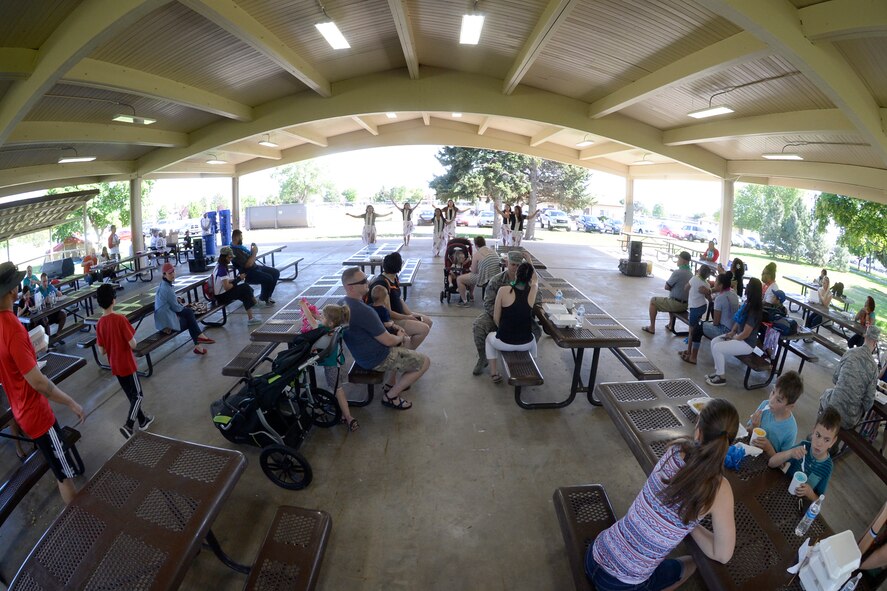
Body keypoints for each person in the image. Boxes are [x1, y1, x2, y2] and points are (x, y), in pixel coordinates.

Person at [587, 398, 738, 590]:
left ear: (698, 430)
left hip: (595, 553)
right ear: (729, 443)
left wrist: (687, 522)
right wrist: (689, 523)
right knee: (692, 562)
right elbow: (723, 555)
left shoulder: (676, 450)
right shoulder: (720, 489)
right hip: (620, 585)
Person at [0, 261, 85, 503]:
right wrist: (70, 402)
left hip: (20, 411)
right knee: (64, 473)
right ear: (12, 291)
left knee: (60, 468)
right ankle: (81, 522)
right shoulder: (13, 329)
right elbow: (38, 382)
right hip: (37, 415)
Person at [341, 267, 430, 410]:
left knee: (403, 344)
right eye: (363, 281)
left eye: (367, 279)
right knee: (425, 362)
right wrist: (399, 337)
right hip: (377, 358)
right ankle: (391, 396)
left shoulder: (342, 304)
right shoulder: (365, 311)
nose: (368, 283)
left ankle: (391, 382)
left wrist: (392, 328)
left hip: (361, 354)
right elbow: (388, 341)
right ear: (350, 287)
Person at [95, 283, 154, 439]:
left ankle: (143, 420)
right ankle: (129, 425)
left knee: (131, 395)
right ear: (114, 300)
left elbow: (101, 351)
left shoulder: (99, 324)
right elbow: (133, 344)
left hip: (114, 364)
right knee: (138, 395)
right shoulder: (120, 319)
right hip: (127, 364)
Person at [472, 250, 542, 375]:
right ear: (507, 263)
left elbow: (537, 301)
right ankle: (483, 358)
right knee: (479, 325)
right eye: (512, 264)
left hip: (518, 316)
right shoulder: (496, 280)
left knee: (536, 330)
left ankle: (524, 358)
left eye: (518, 265)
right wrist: (504, 321)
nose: (515, 267)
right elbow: (488, 303)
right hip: (496, 315)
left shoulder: (528, 283)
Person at [299, 299, 359, 432]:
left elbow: (314, 324)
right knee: (338, 389)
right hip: (340, 362)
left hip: (332, 366)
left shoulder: (323, 330)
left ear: (330, 322)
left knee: (338, 391)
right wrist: (317, 315)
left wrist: (304, 307)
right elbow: (319, 321)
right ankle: (344, 412)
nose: (321, 316)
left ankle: (347, 416)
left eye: (323, 315)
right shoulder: (338, 328)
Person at [768, 406, 841, 501]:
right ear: (813, 431)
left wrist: (809, 493)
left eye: (826, 440)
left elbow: (818, 500)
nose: (819, 443)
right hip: (782, 492)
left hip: (800, 504)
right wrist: (790, 453)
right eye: (818, 435)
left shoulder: (827, 467)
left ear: (832, 442)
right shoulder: (803, 447)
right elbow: (771, 462)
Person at [819, 324, 880, 430]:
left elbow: (835, 379)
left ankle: (818, 430)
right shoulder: (874, 368)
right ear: (875, 343)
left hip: (833, 406)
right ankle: (835, 444)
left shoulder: (850, 352)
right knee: (856, 416)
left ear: (865, 337)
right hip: (850, 418)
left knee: (826, 394)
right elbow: (867, 404)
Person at [486, 262, 538, 383]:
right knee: (533, 338)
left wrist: (503, 329)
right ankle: (532, 368)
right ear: (530, 278)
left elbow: (496, 317)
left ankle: (494, 373)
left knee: (488, 339)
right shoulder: (533, 291)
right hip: (526, 343)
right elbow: (535, 280)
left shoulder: (503, 290)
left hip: (504, 342)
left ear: (516, 275)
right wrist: (529, 261)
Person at [706, 277, 764, 387]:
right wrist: (732, 333)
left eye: (748, 287)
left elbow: (746, 334)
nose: (746, 289)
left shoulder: (754, 310)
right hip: (739, 337)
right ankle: (718, 372)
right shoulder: (748, 303)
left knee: (718, 348)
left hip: (746, 344)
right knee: (714, 341)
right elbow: (738, 320)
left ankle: (721, 378)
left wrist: (733, 338)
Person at [368, 253, 432, 349]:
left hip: (399, 314)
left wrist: (410, 314)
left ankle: (406, 347)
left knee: (428, 321)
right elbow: (388, 312)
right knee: (424, 329)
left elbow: (399, 299)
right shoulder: (382, 284)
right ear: (398, 266)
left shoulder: (394, 277)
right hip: (388, 320)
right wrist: (407, 317)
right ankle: (407, 352)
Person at [154, 262, 214, 355]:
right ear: (164, 275)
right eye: (169, 273)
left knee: (189, 317)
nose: (173, 274)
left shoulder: (164, 285)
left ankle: (199, 345)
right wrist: (185, 307)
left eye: (173, 271)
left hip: (164, 322)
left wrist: (177, 299)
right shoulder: (167, 289)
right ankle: (200, 337)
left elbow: (171, 301)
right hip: (167, 326)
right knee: (190, 315)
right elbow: (177, 309)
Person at [684, 272, 738, 365]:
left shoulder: (720, 298)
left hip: (723, 331)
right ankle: (691, 353)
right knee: (703, 324)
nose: (714, 283)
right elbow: (713, 291)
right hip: (733, 330)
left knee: (698, 327)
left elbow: (716, 323)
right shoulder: (733, 294)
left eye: (716, 282)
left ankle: (693, 357)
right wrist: (708, 291)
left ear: (720, 285)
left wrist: (707, 325)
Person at [747, 370, 803, 457]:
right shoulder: (764, 404)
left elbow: (782, 463)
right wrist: (754, 426)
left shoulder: (790, 430)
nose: (771, 401)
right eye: (773, 392)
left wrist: (768, 448)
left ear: (789, 407)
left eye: (779, 400)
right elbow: (748, 431)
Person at [642, 251, 693, 335]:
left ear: (684, 261)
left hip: (677, 304)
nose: (677, 261)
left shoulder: (678, 272)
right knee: (670, 298)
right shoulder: (691, 274)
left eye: (679, 259)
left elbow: (667, 287)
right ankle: (670, 324)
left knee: (653, 301)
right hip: (685, 305)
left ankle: (652, 327)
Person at [230, 229, 280, 306]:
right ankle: (263, 299)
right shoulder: (234, 251)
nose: (242, 239)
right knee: (268, 278)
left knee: (275, 272)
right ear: (236, 238)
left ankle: (267, 296)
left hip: (255, 267)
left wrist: (252, 252)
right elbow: (247, 265)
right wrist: (254, 253)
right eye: (241, 237)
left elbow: (250, 259)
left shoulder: (240, 248)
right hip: (248, 273)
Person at [213, 246, 261, 325]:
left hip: (221, 294)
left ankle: (251, 316)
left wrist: (236, 279)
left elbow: (224, 282)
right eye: (229, 257)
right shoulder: (222, 269)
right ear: (224, 257)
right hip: (222, 297)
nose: (231, 259)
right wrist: (238, 279)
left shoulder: (219, 265)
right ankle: (253, 306)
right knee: (245, 288)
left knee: (245, 290)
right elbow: (227, 287)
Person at [679, 265, 711, 361]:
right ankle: (690, 350)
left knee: (691, 331)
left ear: (699, 271)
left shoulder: (694, 278)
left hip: (695, 308)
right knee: (695, 327)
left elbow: (686, 288)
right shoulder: (707, 284)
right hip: (703, 307)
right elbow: (707, 297)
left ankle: (689, 352)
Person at [456, 236, 499, 307]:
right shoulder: (493, 251)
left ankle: (464, 301)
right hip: (495, 277)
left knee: (460, 279)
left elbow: (473, 271)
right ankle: (471, 295)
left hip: (484, 278)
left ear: (476, 245)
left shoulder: (477, 254)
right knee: (472, 277)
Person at [35, 273, 66, 343]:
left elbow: (57, 293)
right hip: (44, 314)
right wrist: (44, 300)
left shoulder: (50, 286)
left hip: (53, 310)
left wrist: (58, 293)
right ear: (40, 281)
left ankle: (58, 334)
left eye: (46, 281)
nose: (45, 283)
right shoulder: (38, 291)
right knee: (45, 320)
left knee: (63, 314)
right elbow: (37, 304)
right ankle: (49, 342)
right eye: (43, 281)